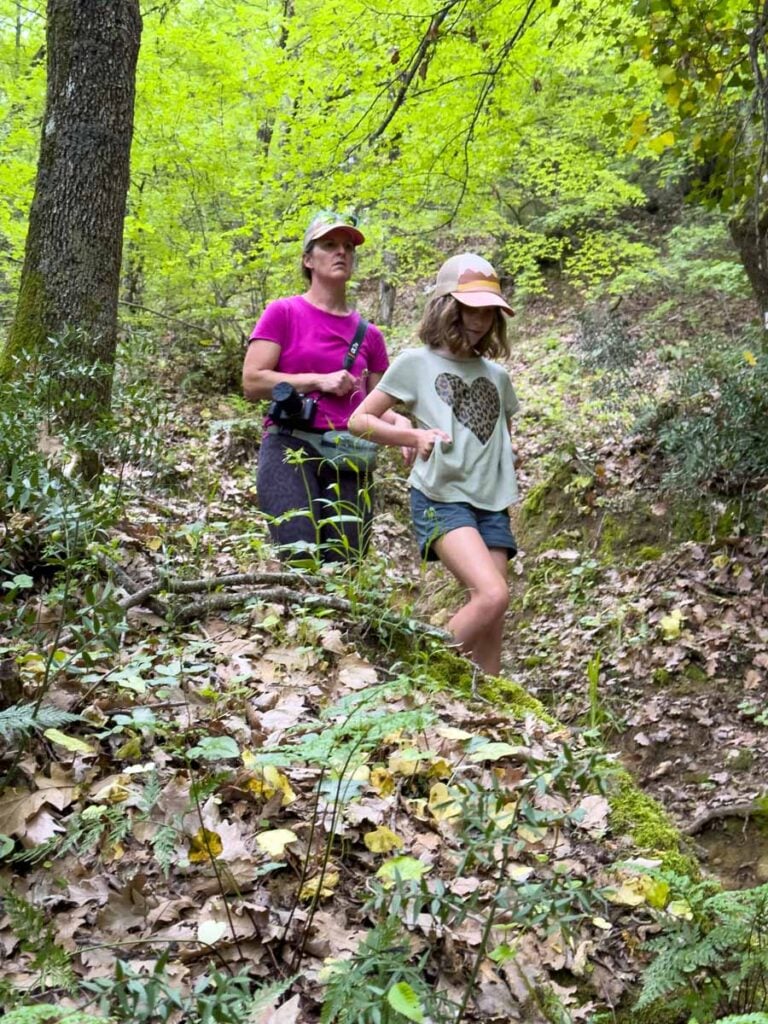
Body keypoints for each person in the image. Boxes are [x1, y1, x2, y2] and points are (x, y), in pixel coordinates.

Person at [348, 253, 519, 674]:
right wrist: (413, 435)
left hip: (492, 501)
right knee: (493, 595)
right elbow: (359, 420)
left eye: (489, 312)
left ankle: (491, 713)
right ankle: (418, 673)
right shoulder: (415, 364)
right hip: (441, 497)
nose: (479, 320)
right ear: (447, 306)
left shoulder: (497, 376)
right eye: (469, 308)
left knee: (492, 615)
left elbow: (502, 432)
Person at [243, 211, 412, 563]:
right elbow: (253, 380)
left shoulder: (370, 336)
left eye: (348, 247)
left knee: (346, 564)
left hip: (348, 454)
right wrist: (318, 381)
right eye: (330, 245)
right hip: (290, 445)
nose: (342, 253)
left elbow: (377, 403)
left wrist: (402, 424)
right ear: (308, 259)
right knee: (299, 554)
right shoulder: (283, 312)